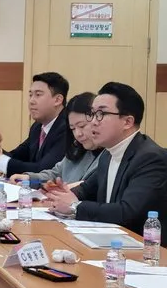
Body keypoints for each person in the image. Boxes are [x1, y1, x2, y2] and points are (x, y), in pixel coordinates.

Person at [47, 82, 167, 236]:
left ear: (127, 122)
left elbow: (127, 212)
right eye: (93, 114)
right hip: (110, 239)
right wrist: (62, 195)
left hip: (142, 246)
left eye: (101, 114)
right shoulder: (108, 154)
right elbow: (86, 190)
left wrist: (74, 206)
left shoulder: (150, 158)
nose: (93, 122)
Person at [9, 92, 101, 188]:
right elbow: (55, 174)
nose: (78, 134)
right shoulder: (77, 148)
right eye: (73, 128)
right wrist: (29, 178)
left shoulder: (107, 156)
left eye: (82, 126)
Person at [0, 72, 69, 176]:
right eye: (30, 95)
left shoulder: (68, 128)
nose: (31, 101)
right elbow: (18, 156)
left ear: (57, 100)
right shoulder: (37, 126)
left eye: (38, 95)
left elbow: (43, 170)